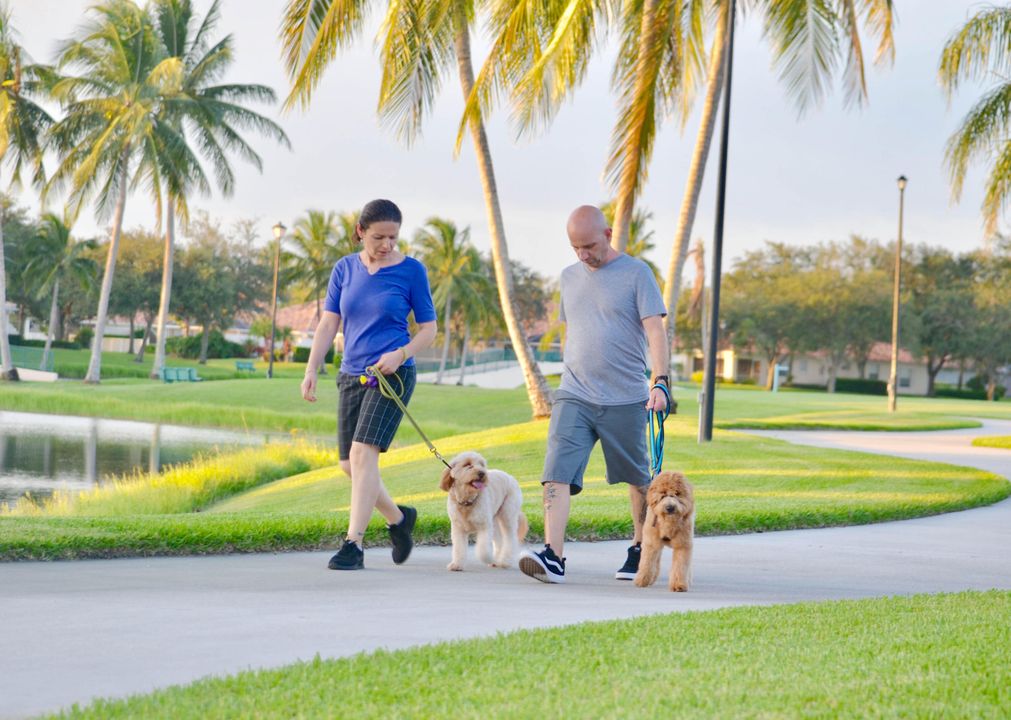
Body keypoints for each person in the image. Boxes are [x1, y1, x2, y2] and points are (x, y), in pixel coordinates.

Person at [518, 205, 669, 584]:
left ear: (608, 233)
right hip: (575, 393)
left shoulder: (637, 273)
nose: (583, 255)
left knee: (638, 479)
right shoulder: (569, 277)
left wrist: (661, 381)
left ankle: (641, 547)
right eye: (575, 248)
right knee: (556, 472)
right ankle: (553, 556)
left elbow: (655, 331)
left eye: (589, 245)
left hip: (625, 397)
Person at [301, 199, 437, 571]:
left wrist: (401, 353)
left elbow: (429, 329)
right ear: (361, 231)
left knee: (363, 456)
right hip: (351, 374)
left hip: (392, 375)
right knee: (349, 465)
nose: (387, 245)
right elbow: (329, 323)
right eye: (379, 237)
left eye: (393, 237)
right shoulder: (344, 268)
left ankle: (353, 545)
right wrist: (312, 368)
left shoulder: (412, 271)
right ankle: (398, 519)